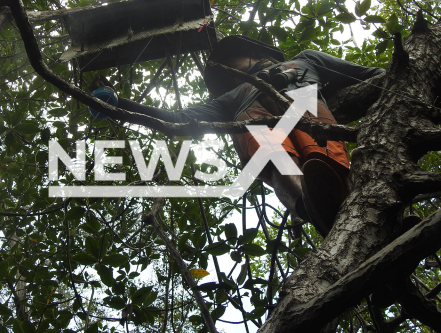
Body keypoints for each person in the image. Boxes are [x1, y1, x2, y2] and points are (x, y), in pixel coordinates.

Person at [91, 36, 384, 236]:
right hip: (254, 117)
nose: (229, 71)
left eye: (232, 61)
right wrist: (120, 106)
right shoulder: (231, 96)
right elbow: (178, 119)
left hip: (304, 102)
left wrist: (405, 72)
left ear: (253, 55)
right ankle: (306, 203)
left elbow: (366, 74)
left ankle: (343, 197)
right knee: (269, 151)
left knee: (321, 147)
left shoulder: (304, 61)